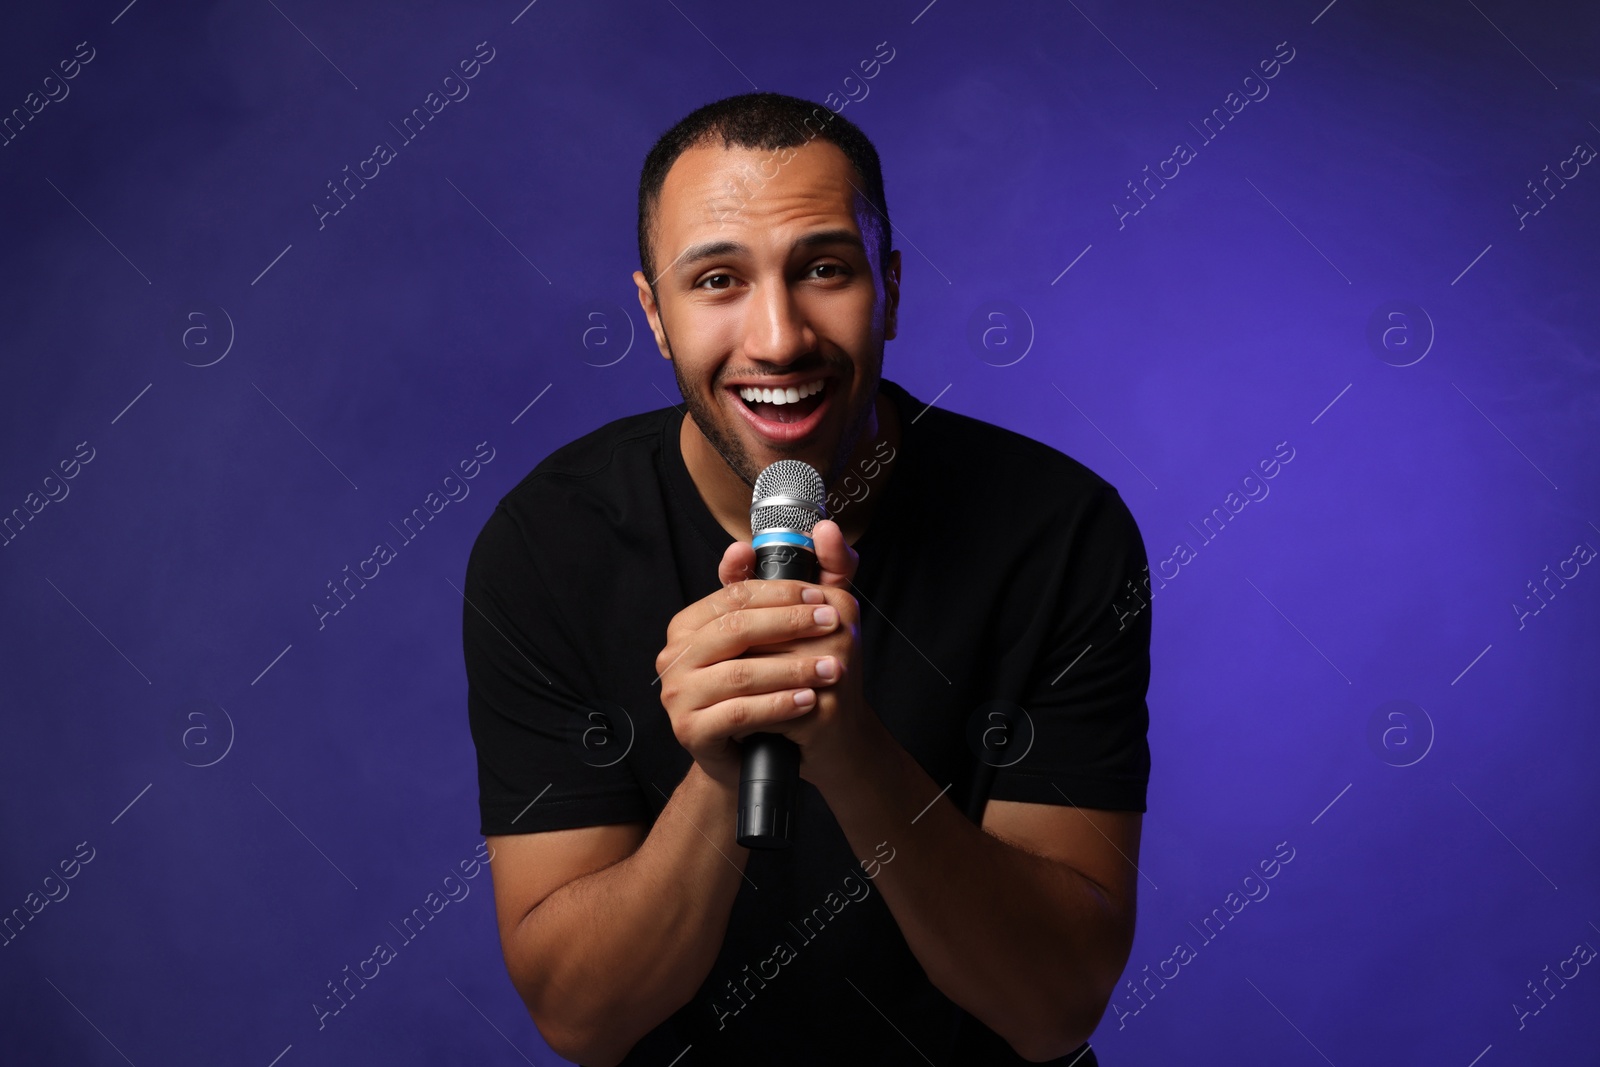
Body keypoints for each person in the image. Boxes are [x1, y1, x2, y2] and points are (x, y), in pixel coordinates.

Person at [462, 91, 1152, 1066]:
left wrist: (848, 747)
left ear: (894, 289)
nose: (779, 338)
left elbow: (1051, 1006)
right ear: (654, 315)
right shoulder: (547, 545)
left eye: (824, 269)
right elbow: (583, 1016)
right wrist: (720, 766)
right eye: (717, 280)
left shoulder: (1057, 530)